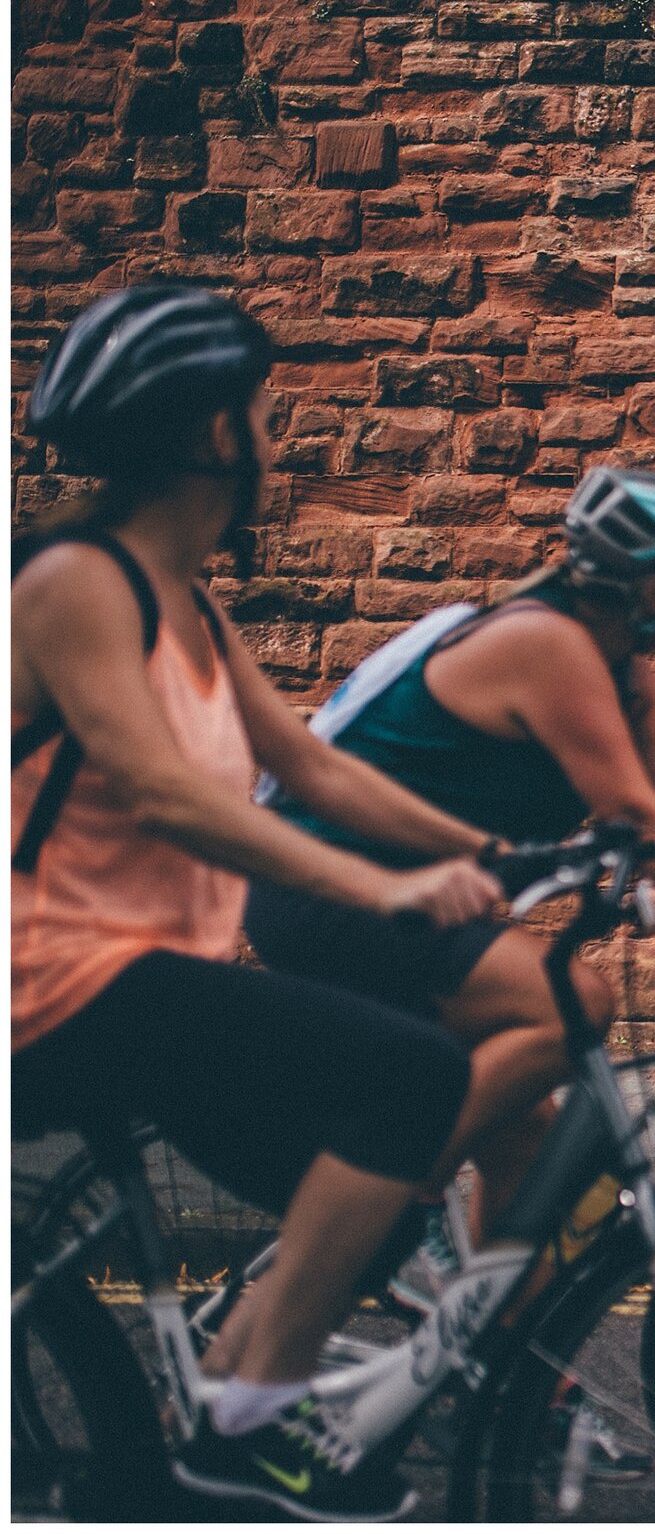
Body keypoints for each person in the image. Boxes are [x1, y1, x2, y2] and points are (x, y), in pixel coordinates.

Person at [11, 284, 504, 1519]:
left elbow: (319, 769)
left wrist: (494, 852)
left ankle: (199, 1444)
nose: (274, 442)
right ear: (213, 435)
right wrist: (384, 888)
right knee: (408, 1078)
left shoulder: (192, 602)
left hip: (143, 977)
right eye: (263, 415)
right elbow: (165, 794)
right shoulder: (79, 579)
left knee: (381, 1188)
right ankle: (248, 1429)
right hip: (53, 982)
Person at [245, 464, 655, 1289]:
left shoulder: (624, 669)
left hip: (432, 902)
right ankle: (392, 1188)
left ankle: (501, 1380)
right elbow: (636, 818)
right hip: (333, 888)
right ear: (643, 585)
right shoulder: (543, 642)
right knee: (573, 1005)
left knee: (533, 1158)